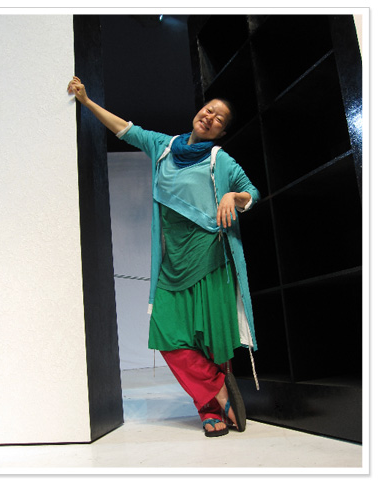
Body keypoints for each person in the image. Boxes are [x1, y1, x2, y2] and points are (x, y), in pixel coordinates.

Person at [67, 76, 260, 437]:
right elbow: (126, 130)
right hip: (172, 262)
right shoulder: (164, 147)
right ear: (198, 112)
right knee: (167, 335)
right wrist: (88, 102)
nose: (209, 117)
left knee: (210, 339)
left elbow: (252, 192)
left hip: (209, 255)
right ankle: (219, 389)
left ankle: (209, 411)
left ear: (221, 132)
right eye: (208, 110)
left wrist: (232, 197)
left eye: (218, 118)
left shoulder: (221, 160)